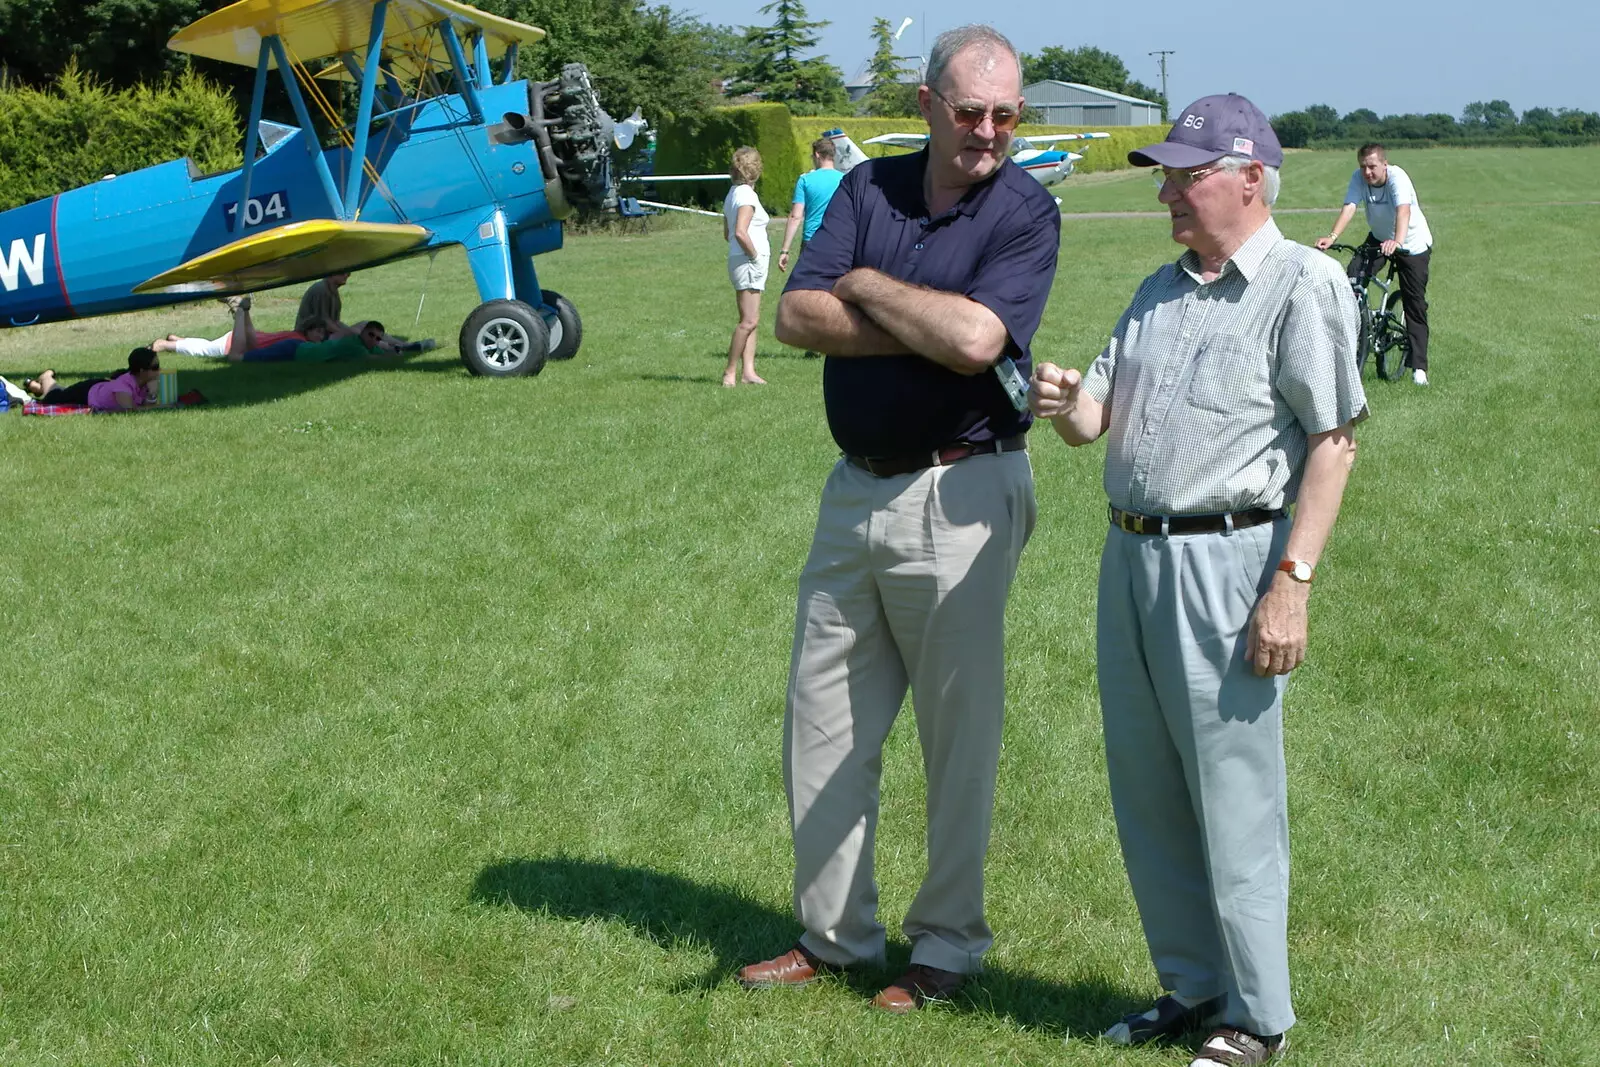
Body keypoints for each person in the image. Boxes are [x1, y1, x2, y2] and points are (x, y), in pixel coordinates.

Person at [1030, 94, 1364, 1067]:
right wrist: (1062, 400)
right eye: (1165, 174)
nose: (1168, 190)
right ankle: (1190, 985)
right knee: (1148, 788)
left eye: (1187, 173)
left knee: (1234, 795)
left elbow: (1334, 441)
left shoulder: (1303, 284)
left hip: (1230, 563)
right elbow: (1093, 421)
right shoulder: (1156, 291)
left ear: (1250, 178)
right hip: (1127, 558)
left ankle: (1257, 1018)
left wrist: (1290, 579)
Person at [736, 25, 1059, 1013]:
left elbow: (974, 339)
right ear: (925, 105)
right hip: (854, 487)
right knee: (821, 717)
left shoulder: (1024, 210)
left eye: (1007, 114)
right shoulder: (870, 186)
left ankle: (948, 948)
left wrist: (865, 283)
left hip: (962, 493)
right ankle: (835, 935)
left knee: (956, 732)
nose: (990, 131)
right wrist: (913, 314)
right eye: (971, 112)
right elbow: (794, 317)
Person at [1314, 144, 1434, 385]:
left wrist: (1397, 241)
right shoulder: (1359, 178)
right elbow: (1350, 206)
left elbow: (1403, 211)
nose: (1367, 172)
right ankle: (1360, 330)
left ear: (1384, 164)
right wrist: (1332, 237)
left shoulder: (1397, 178)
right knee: (1352, 277)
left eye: (1372, 167)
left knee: (1415, 304)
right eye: (1363, 167)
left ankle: (1418, 367)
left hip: (1411, 243)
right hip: (1380, 239)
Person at [722, 146, 770, 387]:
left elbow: (726, 233)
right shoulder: (747, 196)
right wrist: (754, 256)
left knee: (752, 318)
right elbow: (739, 232)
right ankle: (730, 372)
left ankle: (748, 371)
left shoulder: (733, 193)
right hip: (748, 262)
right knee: (748, 321)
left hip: (740, 260)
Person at [223, 302, 386, 363]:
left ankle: (243, 308)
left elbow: (384, 351)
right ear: (362, 333)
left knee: (247, 353)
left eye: (377, 338)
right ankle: (238, 310)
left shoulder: (369, 346)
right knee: (234, 358)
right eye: (371, 335)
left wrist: (398, 349)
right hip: (291, 350)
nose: (373, 340)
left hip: (285, 347)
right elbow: (376, 360)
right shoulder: (354, 345)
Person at [777, 137, 844, 275]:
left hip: (812, 240)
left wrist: (785, 250)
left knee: (807, 287)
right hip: (837, 240)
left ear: (817, 154)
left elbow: (796, 216)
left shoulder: (805, 180)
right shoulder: (845, 180)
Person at [27, 348, 165, 411]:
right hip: (87, 392)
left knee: (63, 393)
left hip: (102, 387)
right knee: (52, 398)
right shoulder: (123, 388)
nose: (159, 370)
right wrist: (153, 396)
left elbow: (146, 407)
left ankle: (35, 387)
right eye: (155, 367)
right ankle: (47, 377)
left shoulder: (145, 382)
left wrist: (152, 395)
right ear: (142, 371)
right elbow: (132, 411)